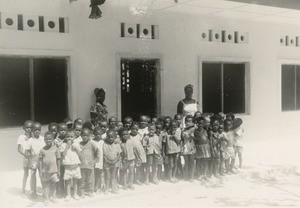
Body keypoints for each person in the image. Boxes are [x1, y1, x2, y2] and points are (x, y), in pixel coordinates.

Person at [38, 131, 60, 205]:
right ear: (44, 140)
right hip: (45, 171)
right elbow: (40, 161)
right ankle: (46, 198)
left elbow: (58, 160)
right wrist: (40, 171)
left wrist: (59, 170)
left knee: (54, 185)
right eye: (46, 139)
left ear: (53, 139)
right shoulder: (42, 150)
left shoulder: (56, 149)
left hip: (54, 171)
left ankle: (54, 197)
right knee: (45, 185)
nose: (48, 141)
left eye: (50, 139)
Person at [61, 129, 82, 201]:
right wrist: (67, 146)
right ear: (65, 137)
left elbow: (80, 154)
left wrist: (76, 148)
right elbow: (63, 154)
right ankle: (68, 194)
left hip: (76, 166)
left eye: (71, 137)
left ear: (75, 137)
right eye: (68, 137)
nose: (69, 138)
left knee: (75, 181)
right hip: (68, 167)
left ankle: (75, 194)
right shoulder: (64, 145)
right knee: (67, 181)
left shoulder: (77, 144)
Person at [79, 128, 100, 198]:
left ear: (89, 136)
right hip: (81, 166)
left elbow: (97, 152)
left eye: (86, 135)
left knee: (90, 180)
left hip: (90, 166)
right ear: (81, 135)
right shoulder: (79, 144)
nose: (84, 137)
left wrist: (95, 160)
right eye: (83, 135)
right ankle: (82, 192)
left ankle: (90, 191)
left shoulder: (92, 144)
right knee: (82, 180)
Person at [27, 122, 45, 198]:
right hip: (33, 160)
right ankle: (33, 192)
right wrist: (30, 161)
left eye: (38, 129)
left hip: (42, 160)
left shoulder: (43, 139)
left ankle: (45, 191)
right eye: (35, 130)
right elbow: (28, 152)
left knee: (42, 175)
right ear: (32, 131)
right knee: (33, 175)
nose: (37, 131)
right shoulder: (30, 140)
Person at [103, 129, 122, 194]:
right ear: (106, 137)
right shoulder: (104, 144)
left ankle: (114, 187)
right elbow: (103, 154)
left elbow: (119, 154)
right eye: (108, 137)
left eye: (112, 137)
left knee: (114, 176)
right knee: (107, 176)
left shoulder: (117, 145)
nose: (110, 138)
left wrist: (115, 160)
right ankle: (107, 188)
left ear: (114, 137)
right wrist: (107, 160)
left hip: (115, 163)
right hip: (107, 163)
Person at [17, 120, 33, 195]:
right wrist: (25, 155)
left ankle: (32, 190)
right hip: (26, 158)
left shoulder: (33, 137)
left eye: (31, 127)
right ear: (24, 128)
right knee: (26, 174)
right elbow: (19, 149)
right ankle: (23, 190)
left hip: (33, 158)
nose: (29, 129)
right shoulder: (21, 137)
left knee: (33, 174)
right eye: (27, 127)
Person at [181, 115, 196, 181]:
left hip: (192, 147)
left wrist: (192, 129)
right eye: (187, 121)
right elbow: (184, 136)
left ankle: (191, 176)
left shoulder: (195, 128)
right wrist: (189, 132)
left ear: (192, 122)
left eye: (190, 121)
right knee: (186, 162)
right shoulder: (184, 129)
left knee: (192, 162)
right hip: (186, 147)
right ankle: (186, 176)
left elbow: (194, 137)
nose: (188, 123)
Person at [93, 127, 105, 193]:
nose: (98, 136)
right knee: (94, 173)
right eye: (96, 134)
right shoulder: (92, 141)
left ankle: (99, 186)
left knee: (99, 173)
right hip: (94, 160)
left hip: (101, 160)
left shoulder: (102, 142)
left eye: (99, 134)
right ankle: (94, 186)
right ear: (94, 134)